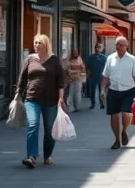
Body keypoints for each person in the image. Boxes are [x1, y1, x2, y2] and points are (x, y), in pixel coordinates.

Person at [16, 34, 66, 168]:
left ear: (46, 45)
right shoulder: (30, 59)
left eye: (40, 43)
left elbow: (60, 80)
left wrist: (61, 97)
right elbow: (23, 78)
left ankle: (47, 154)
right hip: (32, 98)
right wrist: (17, 95)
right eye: (35, 42)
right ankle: (31, 156)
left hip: (50, 100)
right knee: (33, 125)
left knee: (49, 130)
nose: (36, 45)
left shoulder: (54, 60)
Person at [100, 36, 135, 149]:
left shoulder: (132, 59)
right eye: (117, 44)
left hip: (128, 90)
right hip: (113, 90)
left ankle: (124, 130)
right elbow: (105, 76)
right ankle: (117, 140)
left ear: (126, 45)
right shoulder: (110, 58)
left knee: (125, 113)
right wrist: (102, 90)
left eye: (121, 45)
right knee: (113, 115)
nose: (118, 46)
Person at [85, 43, 108, 109]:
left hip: (101, 76)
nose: (98, 48)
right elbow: (87, 66)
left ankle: (101, 103)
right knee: (92, 91)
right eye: (97, 47)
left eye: (100, 47)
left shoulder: (104, 57)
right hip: (93, 76)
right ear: (95, 48)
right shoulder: (90, 57)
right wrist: (88, 73)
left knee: (102, 90)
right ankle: (93, 103)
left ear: (102, 48)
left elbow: (107, 67)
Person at [64, 48, 86, 113]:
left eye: (76, 52)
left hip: (78, 79)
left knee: (77, 93)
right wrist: (70, 75)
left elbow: (83, 69)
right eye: (74, 52)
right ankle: (71, 107)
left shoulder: (80, 59)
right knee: (71, 93)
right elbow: (67, 69)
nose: (75, 53)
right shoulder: (69, 60)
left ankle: (77, 106)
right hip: (71, 79)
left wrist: (83, 78)